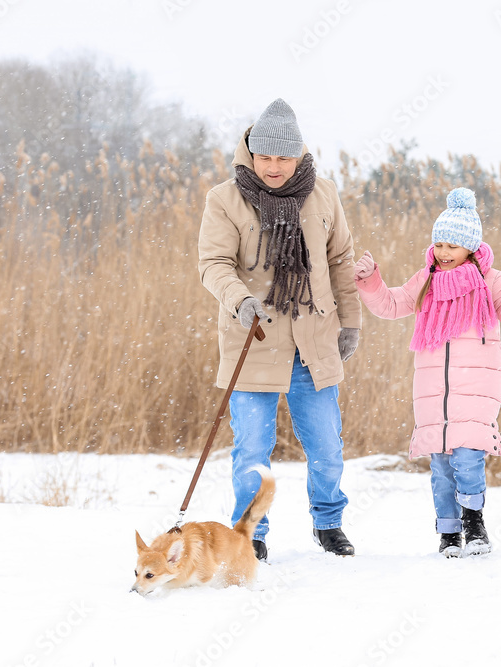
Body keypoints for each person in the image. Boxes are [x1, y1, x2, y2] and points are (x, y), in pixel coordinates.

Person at [198, 98, 361, 558]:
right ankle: (252, 535)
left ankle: (328, 523)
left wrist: (351, 323)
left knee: (328, 448)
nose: (273, 167)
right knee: (251, 452)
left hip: (314, 341)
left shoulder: (324, 194)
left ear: (299, 154)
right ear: (250, 154)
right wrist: (240, 299)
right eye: (265, 157)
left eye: (283, 158)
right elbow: (213, 263)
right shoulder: (225, 199)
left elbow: (340, 261)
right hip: (255, 340)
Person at [353, 188, 501, 557]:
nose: (443, 252)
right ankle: (449, 533)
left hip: (477, 389)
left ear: (471, 247)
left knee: (468, 457)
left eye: (452, 245)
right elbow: (391, 305)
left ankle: (474, 521)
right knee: (440, 468)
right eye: (439, 243)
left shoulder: (490, 282)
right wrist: (370, 282)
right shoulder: (426, 280)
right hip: (433, 395)